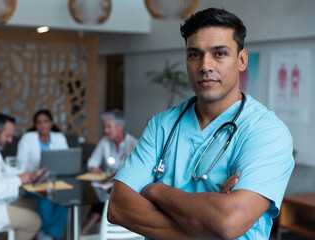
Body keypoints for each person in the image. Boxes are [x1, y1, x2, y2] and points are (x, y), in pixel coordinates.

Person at [108, 7, 294, 240]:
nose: (205, 66)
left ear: (242, 60)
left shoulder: (266, 132)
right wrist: (208, 225)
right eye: (195, 54)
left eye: (219, 54)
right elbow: (118, 208)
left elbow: (229, 222)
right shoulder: (161, 125)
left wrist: (155, 190)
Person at [81, 109, 138, 235]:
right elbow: (92, 162)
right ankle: (91, 233)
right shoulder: (104, 141)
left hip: (125, 189)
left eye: (108, 127)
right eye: (104, 127)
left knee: (105, 201)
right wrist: (94, 168)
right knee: (104, 199)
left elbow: (135, 170)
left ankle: (82, 233)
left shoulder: (133, 143)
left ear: (120, 127)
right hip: (107, 188)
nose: (105, 130)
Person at [17, 109, 69, 240]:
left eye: (46, 121)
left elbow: (67, 158)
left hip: (55, 181)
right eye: (39, 122)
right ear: (35, 125)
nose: (42, 125)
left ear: (51, 123)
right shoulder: (27, 139)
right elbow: (20, 164)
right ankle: (46, 234)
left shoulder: (59, 138)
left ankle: (45, 233)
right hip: (34, 182)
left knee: (66, 201)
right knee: (46, 202)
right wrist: (37, 170)